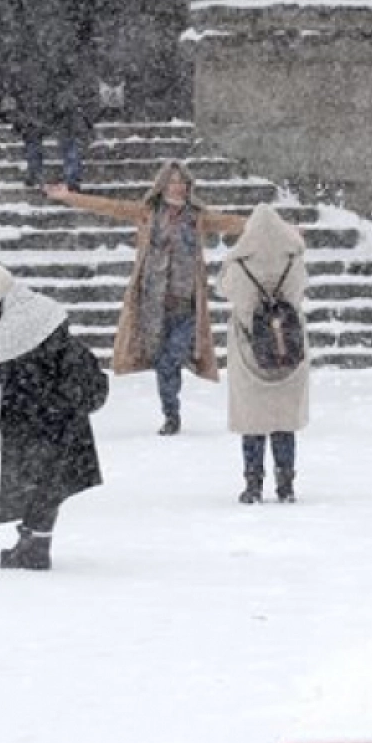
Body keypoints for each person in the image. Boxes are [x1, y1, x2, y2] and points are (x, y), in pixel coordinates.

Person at [45, 162, 248, 435]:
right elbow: (109, 206)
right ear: (163, 185)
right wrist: (69, 197)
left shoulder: (197, 217)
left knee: (169, 359)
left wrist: (282, 228)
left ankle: (171, 412)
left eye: (182, 182)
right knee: (165, 363)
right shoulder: (147, 213)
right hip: (153, 306)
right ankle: (171, 415)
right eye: (173, 181)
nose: (178, 186)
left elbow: (234, 223)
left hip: (187, 306)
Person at [0, 256, 108, 571]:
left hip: (32, 415)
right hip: (63, 410)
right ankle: (33, 541)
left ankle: (35, 547)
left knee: (38, 482)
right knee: (51, 483)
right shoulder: (42, 307)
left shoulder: (7, 332)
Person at [216, 204, 310, 503]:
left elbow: (223, 289)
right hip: (288, 348)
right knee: (283, 420)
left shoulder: (239, 265)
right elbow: (299, 293)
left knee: (252, 420)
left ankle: (253, 482)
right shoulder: (294, 261)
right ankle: (286, 482)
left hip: (249, 349)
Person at [0, 0, 100, 188]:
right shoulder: (43, 4)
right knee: (47, 127)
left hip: (48, 74)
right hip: (43, 74)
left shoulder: (42, 4)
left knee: (53, 127)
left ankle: (53, 174)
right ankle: (52, 173)